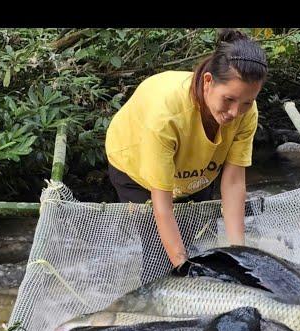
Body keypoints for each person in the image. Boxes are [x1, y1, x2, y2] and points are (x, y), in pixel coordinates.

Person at [105, 28, 268, 282]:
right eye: (229, 100)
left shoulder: (246, 111)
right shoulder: (166, 115)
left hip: (198, 170)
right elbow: (162, 204)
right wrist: (183, 266)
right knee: (159, 254)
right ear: (207, 82)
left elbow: (234, 181)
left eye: (246, 102)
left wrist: (239, 256)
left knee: (200, 241)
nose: (235, 112)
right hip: (135, 165)